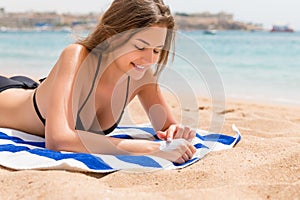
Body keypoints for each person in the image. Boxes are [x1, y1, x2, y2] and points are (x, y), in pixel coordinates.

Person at [0, 0, 196, 164]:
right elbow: (58, 141)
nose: (150, 59)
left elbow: (165, 129)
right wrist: (151, 148)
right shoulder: (77, 55)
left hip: (34, 89)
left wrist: (175, 133)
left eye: (156, 50)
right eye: (140, 46)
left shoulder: (142, 74)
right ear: (112, 37)